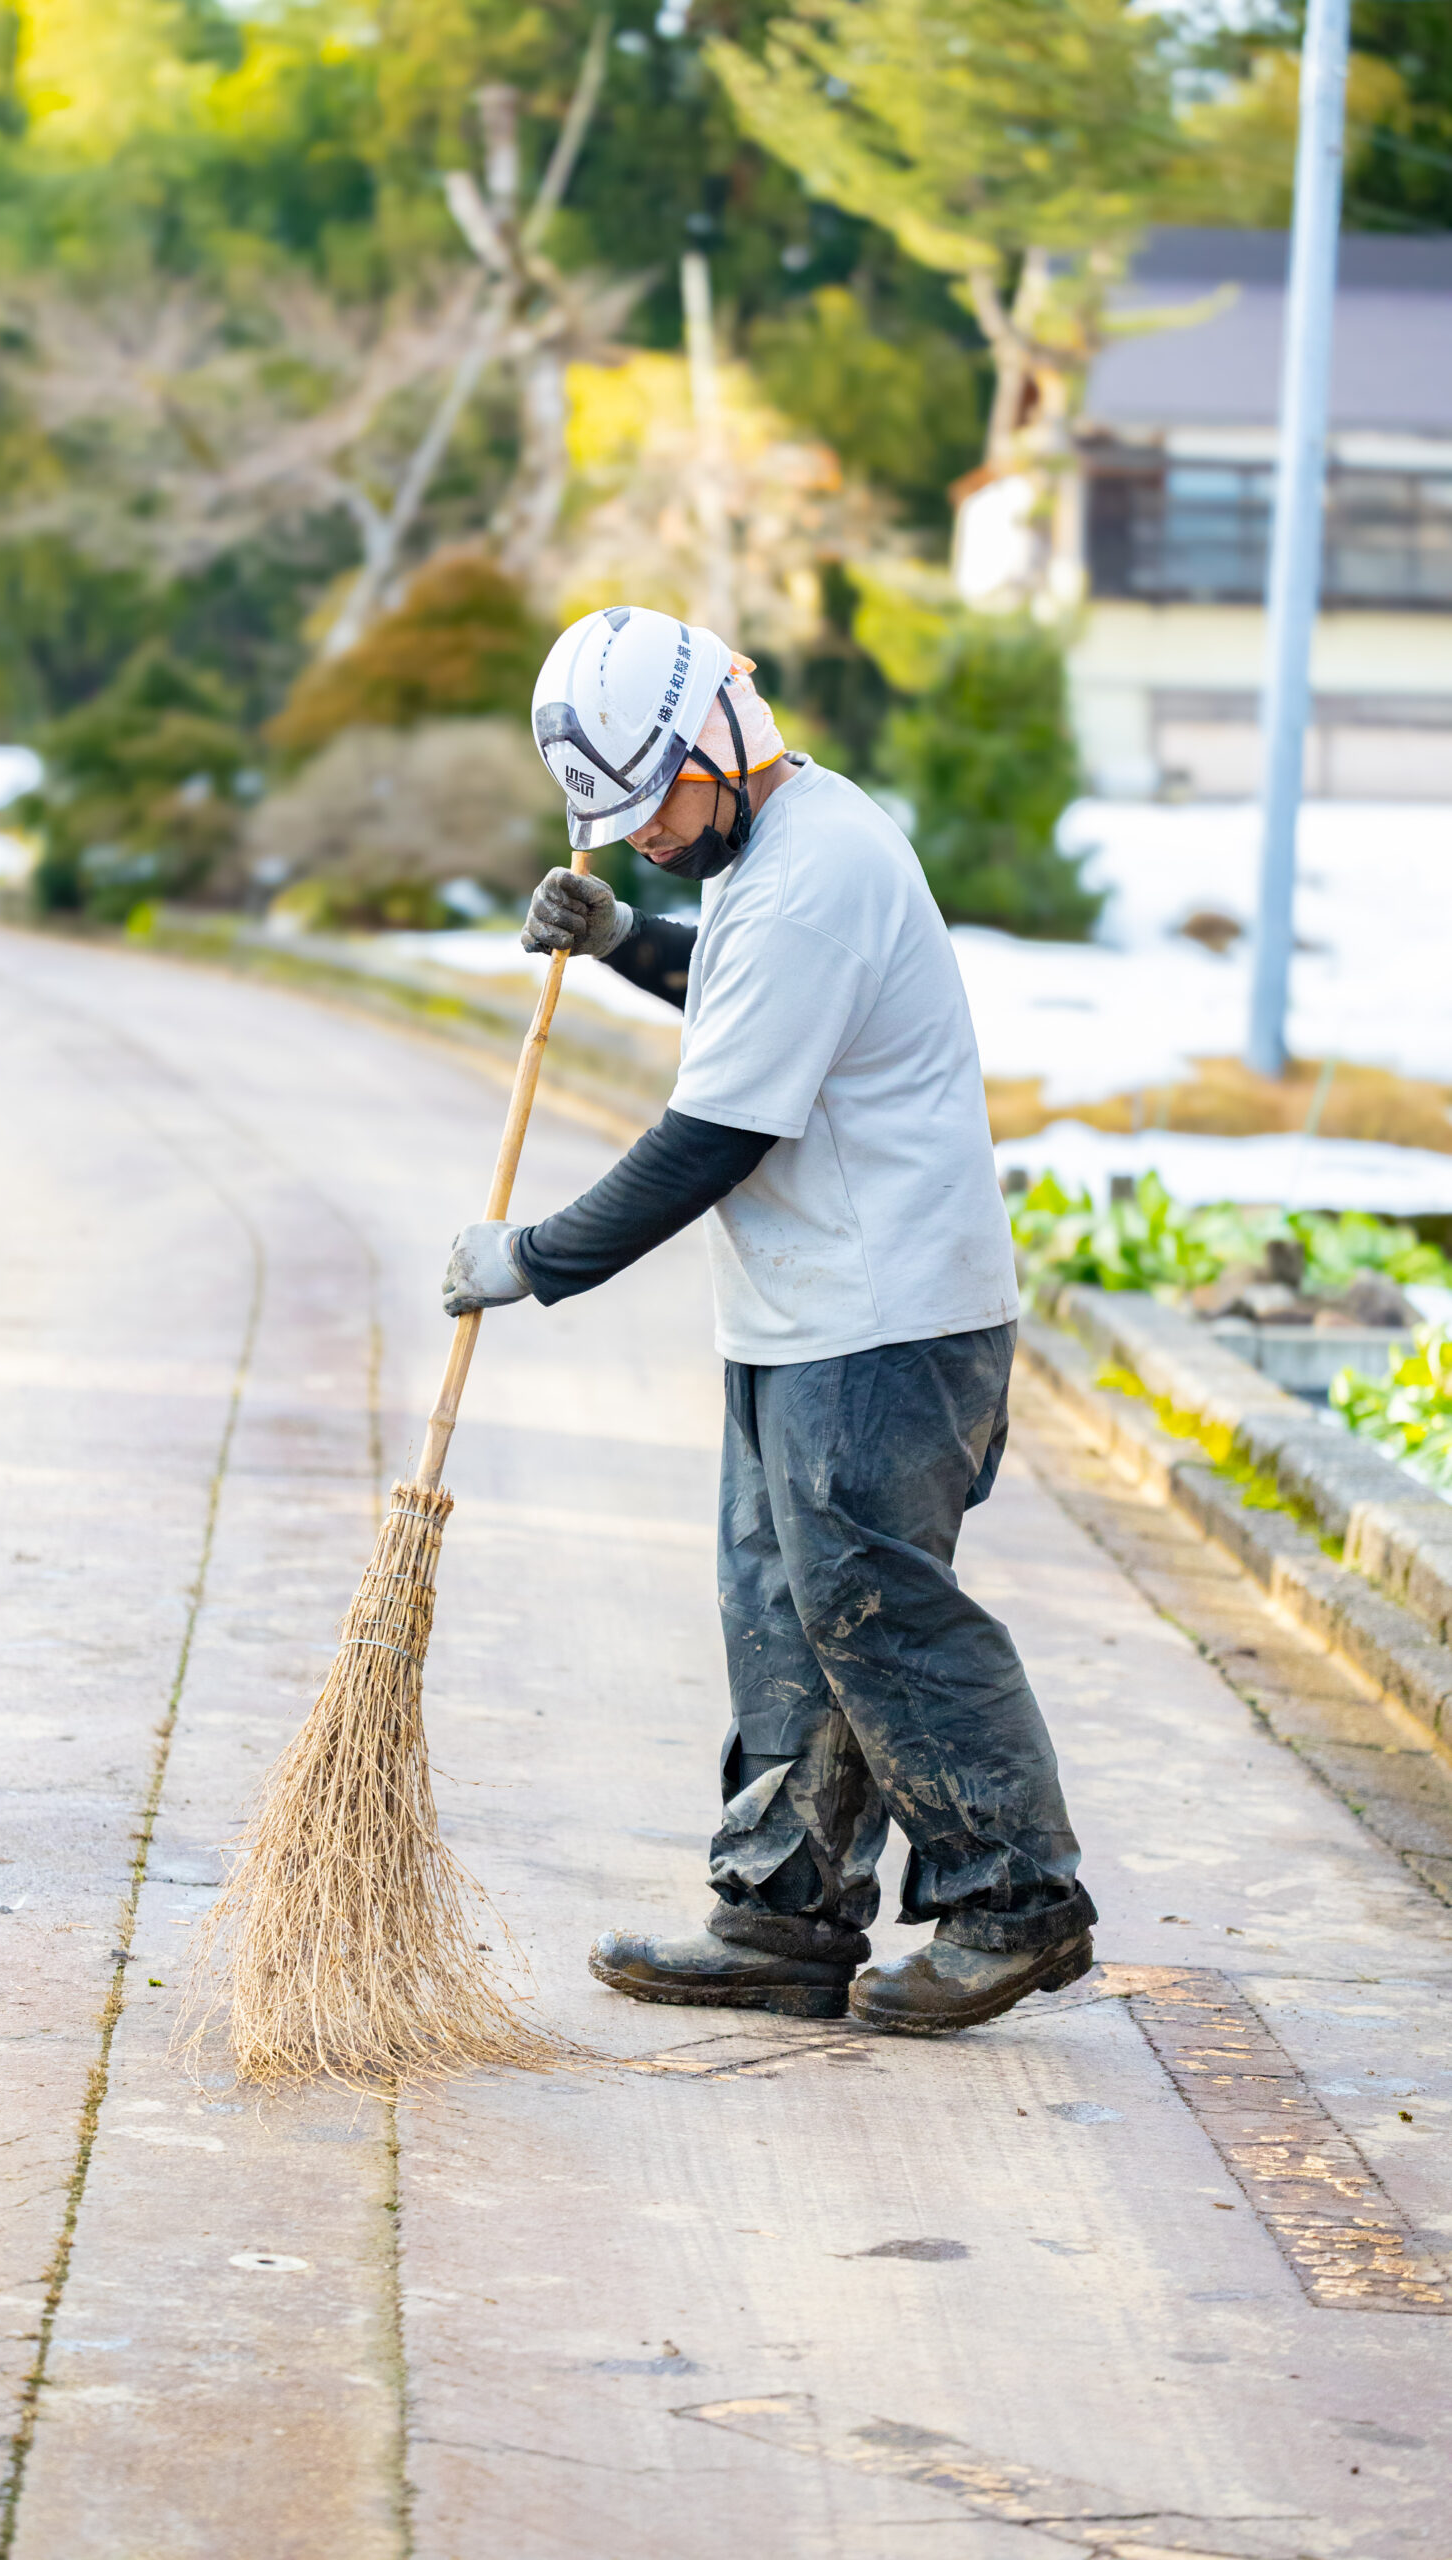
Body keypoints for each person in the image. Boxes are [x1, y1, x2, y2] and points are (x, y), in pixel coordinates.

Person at [442, 606, 1095, 2033]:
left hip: (885, 1324)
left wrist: (535, 1258)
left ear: (722, 739)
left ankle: (1019, 1901)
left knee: (878, 1612)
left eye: (653, 809)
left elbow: (713, 1138)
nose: (643, 840)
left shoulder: (812, 874)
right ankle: (783, 1919)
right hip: (809, 1316)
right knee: (783, 1617)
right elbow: (739, 983)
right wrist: (629, 939)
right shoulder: (773, 846)